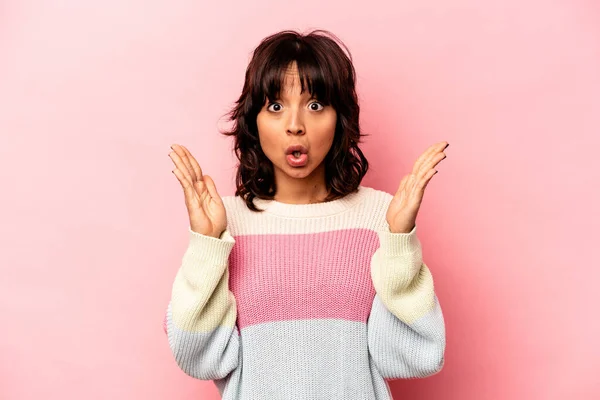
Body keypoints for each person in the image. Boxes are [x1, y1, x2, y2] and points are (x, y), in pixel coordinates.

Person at [164, 29, 448, 400]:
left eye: (315, 105)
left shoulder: (380, 216)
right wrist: (207, 245)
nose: (295, 124)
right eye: (276, 106)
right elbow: (197, 358)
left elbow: (416, 356)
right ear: (254, 120)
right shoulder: (225, 222)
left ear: (339, 118)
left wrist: (398, 240)